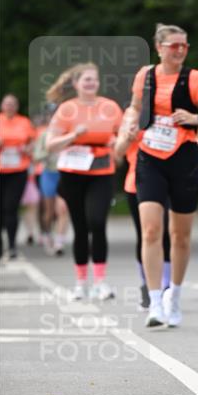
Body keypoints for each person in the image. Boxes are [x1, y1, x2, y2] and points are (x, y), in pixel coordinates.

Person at [122, 24, 198, 327]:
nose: (180, 51)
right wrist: (128, 122)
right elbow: (135, 107)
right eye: (174, 45)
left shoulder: (194, 78)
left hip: (184, 158)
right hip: (150, 156)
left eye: (184, 46)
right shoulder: (145, 76)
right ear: (159, 47)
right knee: (150, 230)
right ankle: (154, 300)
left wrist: (195, 118)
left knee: (180, 235)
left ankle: (173, 295)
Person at [45, 64, 122, 299]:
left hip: (101, 170)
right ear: (76, 84)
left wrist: (116, 143)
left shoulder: (110, 107)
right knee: (80, 227)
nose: (90, 83)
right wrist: (73, 135)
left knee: (97, 222)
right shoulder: (67, 109)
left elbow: (122, 140)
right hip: (73, 171)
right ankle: (80, 282)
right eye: (86, 80)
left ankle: (100, 281)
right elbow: (50, 145)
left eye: (94, 80)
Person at [114, 118, 171, 309]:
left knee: (166, 235)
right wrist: (128, 137)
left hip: (167, 182)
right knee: (146, 235)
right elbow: (118, 152)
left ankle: (166, 286)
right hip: (136, 184)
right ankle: (147, 284)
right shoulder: (131, 118)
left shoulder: (170, 114)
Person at [0, 94, 36, 259]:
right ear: (2, 106)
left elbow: (33, 144)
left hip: (18, 170)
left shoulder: (24, 122)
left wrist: (27, 149)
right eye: (7, 104)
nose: (9, 107)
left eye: (13, 104)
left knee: (11, 208)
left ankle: (12, 245)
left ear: (17, 106)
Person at [33, 118, 69, 256]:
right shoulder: (44, 135)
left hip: (64, 174)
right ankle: (47, 233)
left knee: (63, 209)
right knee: (48, 212)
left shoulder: (68, 134)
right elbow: (36, 156)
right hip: (49, 174)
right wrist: (48, 152)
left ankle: (59, 242)